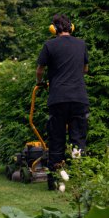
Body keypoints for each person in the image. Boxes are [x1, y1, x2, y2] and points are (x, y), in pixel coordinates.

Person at [36, 14, 89, 190]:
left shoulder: (49, 45)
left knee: (57, 139)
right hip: (79, 98)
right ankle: (79, 180)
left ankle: (54, 182)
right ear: (71, 28)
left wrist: (40, 83)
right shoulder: (81, 44)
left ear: (54, 29)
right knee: (78, 139)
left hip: (57, 98)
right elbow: (85, 69)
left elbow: (40, 70)